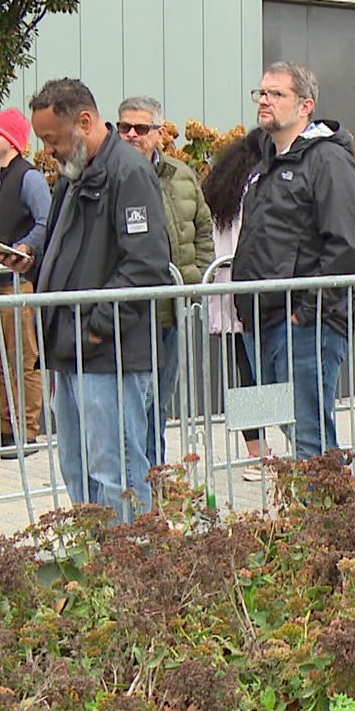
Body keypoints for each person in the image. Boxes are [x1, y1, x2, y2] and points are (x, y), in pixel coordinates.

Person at [0, 79, 172, 524]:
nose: (49, 150)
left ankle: (129, 564)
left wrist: (96, 328)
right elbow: (68, 249)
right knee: (79, 469)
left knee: (117, 472)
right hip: (72, 348)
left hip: (106, 351)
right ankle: (98, 566)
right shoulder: (75, 176)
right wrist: (32, 264)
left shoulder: (128, 174)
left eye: (53, 140)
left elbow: (146, 264)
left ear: (85, 121)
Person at [232, 62, 355, 461]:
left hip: (305, 325)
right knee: (289, 426)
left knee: (310, 435)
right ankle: (321, 510)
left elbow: (347, 246)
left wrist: (306, 312)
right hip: (262, 319)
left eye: (277, 94)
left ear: (306, 106)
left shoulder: (327, 160)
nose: (265, 101)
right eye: (261, 93)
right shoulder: (267, 161)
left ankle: (329, 518)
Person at [116, 97, 212, 466]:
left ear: (160, 133)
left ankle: (153, 478)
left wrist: (195, 278)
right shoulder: (112, 173)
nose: (132, 135)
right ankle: (136, 483)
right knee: (132, 402)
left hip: (172, 310)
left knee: (159, 399)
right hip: (129, 313)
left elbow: (203, 228)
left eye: (141, 128)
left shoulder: (181, 175)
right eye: (124, 127)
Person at [0, 108, 50, 454]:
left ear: (13, 140)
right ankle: (7, 426)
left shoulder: (28, 178)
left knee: (22, 357)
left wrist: (24, 247)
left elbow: (45, 220)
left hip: (16, 283)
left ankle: (27, 429)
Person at [203, 130, 271, 481]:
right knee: (261, 369)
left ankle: (256, 451)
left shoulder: (222, 184)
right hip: (251, 283)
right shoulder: (258, 184)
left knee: (244, 369)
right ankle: (266, 451)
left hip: (224, 286)